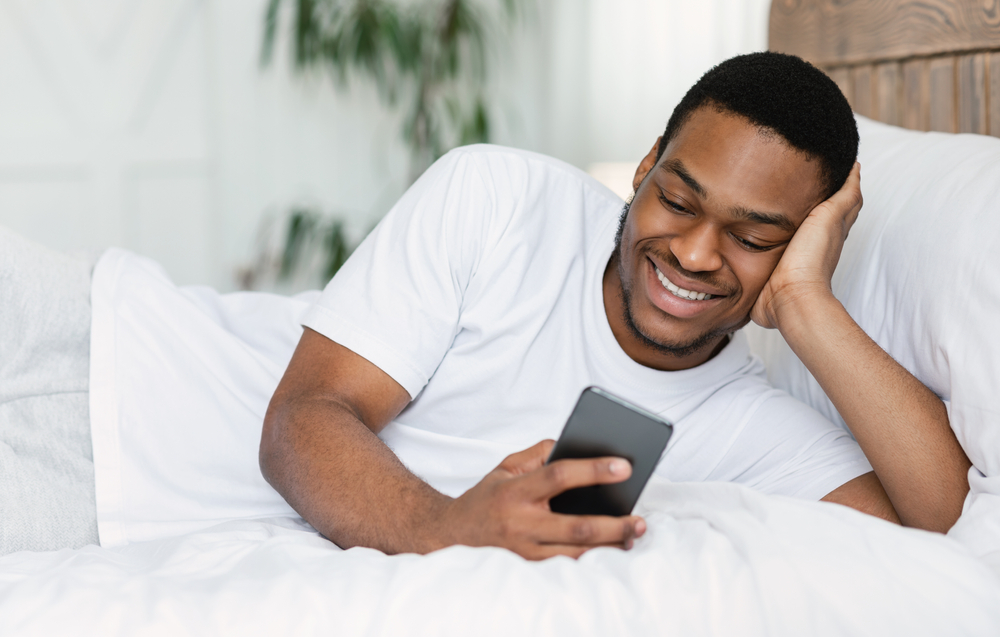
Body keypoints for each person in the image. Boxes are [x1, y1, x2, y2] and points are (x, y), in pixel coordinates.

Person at [258, 51, 972, 561]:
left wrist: (807, 302)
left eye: (754, 237)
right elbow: (303, 417)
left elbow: (946, 524)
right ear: (646, 164)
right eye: (677, 200)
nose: (693, 253)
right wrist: (448, 527)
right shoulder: (496, 199)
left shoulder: (756, 429)